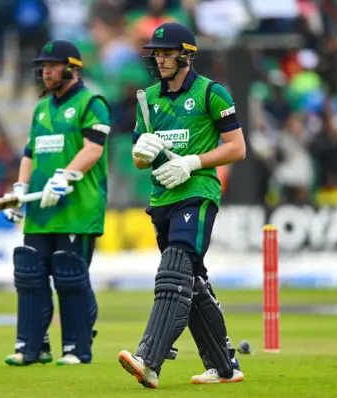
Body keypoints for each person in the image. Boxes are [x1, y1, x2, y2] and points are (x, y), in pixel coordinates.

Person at [117, 22, 246, 388]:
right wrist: (141, 154)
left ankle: (149, 359)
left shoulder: (211, 93)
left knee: (174, 270)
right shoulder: (149, 99)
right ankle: (225, 366)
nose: (159, 59)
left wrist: (191, 162)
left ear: (186, 55)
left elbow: (237, 148)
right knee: (191, 282)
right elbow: (141, 157)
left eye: (166, 52)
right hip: (162, 198)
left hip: (198, 193)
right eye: (155, 53)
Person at [2, 40, 111, 366]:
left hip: (77, 208)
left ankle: (77, 348)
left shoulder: (93, 103)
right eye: (43, 66)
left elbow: (94, 148)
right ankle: (32, 347)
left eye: (52, 65)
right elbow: (30, 153)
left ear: (72, 68)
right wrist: (20, 187)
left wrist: (65, 176)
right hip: (40, 209)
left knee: (69, 276)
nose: (46, 71)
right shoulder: (41, 108)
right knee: (30, 274)